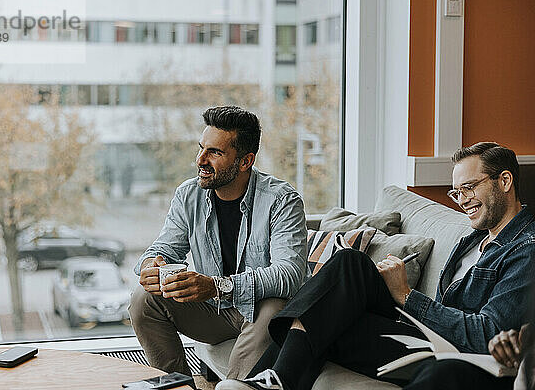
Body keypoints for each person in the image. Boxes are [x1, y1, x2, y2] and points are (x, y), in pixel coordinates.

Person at [217, 142, 535, 390]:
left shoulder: (525, 249)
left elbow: (487, 334)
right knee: (349, 266)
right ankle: (272, 381)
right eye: (456, 191)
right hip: (428, 333)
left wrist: (407, 296)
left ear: (504, 180)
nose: (462, 199)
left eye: (470, 187)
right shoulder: (472, 238)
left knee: (326, 321)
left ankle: (270, 381)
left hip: (458, 353)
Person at [128, 106, 308, 379]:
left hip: (259, 311)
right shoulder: (189, 195)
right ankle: (177, 385)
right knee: (143, 300)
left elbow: (289, 275)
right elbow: (164, 247)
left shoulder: (282, 200)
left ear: (245, 161)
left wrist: (217, 286)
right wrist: (150, 265)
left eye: (215, 152)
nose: (200, 159)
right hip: (215, 312)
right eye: (201, 148)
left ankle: (236, 386)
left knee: (275, 306)